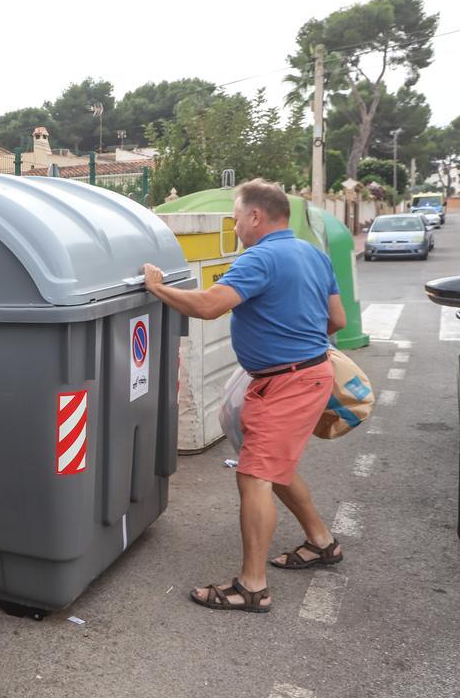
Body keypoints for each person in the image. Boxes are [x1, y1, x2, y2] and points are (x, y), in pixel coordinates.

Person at [143, 179, 347, 613]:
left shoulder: (261, 258)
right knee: (275, 466)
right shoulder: (313, 253)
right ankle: (322, 541)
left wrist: (158, 289)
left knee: (254, 475)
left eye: (236, 219)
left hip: (286, 382)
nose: (235, 228)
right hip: (308, 373)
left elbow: (209, 305)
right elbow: (337, 319)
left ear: (256, 216)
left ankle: (252, 587)